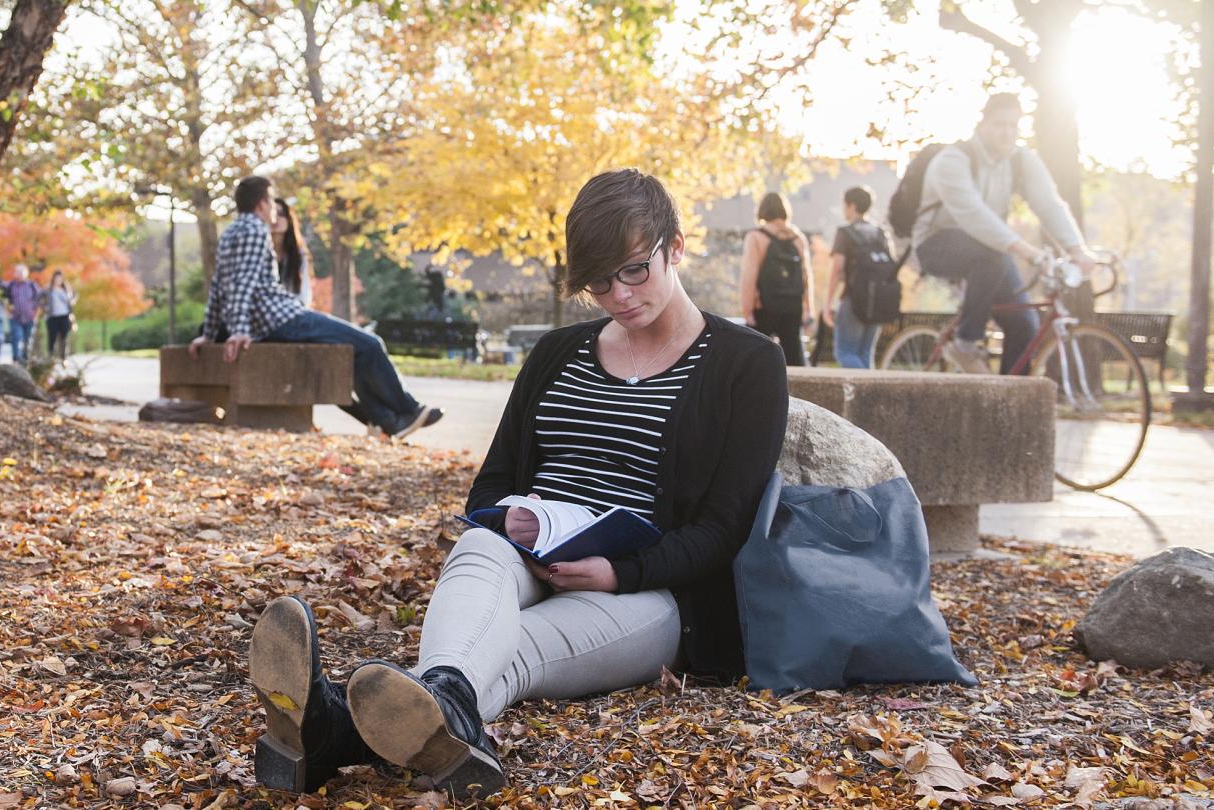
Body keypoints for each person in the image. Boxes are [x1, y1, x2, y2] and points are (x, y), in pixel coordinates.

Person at [244, 168, 788, 799]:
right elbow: (491, 486)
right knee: (479, 546)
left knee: (514, 654)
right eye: (598, 281)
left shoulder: (747, 363)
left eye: (635, 269)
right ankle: (442, 706)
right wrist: (514, 520)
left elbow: (724, 529)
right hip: (529, 554)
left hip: (651, 591)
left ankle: (336, 728)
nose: (618, 294)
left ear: (677, 247)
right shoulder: (558, 353)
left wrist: (618, 571)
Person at [193, 176, 442, 440]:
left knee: (354, 350)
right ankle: (408, 410)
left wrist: (209, 333)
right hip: (282, 318)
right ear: (263, 203)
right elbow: (245, 282)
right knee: (369, 343)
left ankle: (390, 421)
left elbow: (219, 286)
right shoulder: (256, 230)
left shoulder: (230, 233)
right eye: (273, 203)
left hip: (271, 319)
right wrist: (240, 331)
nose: (275, 211)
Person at [910, 93, 1100, 376]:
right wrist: (1026, 250)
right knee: (990, 256)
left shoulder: (1021, 160)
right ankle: (964, 343)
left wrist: (1076, 249)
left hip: (991, 251)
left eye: (1014, 125)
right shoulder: (952, 160)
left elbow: (1049, 204)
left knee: (1025, 324)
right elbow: (974, 215)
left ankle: (1009, 403)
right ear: (982, 123)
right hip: (936, 243)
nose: (1007, 132)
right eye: (1000, 124)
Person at [740, 192, 812, 365]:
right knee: (794, 358)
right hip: (793, 306)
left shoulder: (756, 237)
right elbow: (807, 276)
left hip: (764, 306)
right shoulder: (798, 238)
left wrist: (747, 310)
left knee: (755, 358)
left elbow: (749, 275)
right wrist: (808, 309)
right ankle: (796, 391)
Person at [824, 186, 892, 368]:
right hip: (878, 300)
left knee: (845, 352)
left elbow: (837, 270)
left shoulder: (845, 233)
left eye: (844, 205)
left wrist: (828, 303)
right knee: (865, 353)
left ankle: (868, 394)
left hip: (853, 299)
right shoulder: (879, 233)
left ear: (852, 206)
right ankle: (868, 394)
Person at [270, 198, 313, 310]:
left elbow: (304, 293)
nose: (277, 219)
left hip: (292, 312)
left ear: (289, 219)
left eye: (281, 214)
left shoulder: (299, 254)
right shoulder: (257, 250)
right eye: (274, 214)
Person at [3, 264, 43, 364]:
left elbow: (40, 300)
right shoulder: (10, 285)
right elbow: (3, 299)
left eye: (20, 272)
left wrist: (36, 315)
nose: (18, 274)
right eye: (16, 272)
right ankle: (16, 358)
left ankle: (26, 359)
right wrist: (8, 313)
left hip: (29, 317)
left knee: (28, 339)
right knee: (16, 336)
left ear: (26, 273)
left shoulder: (32, 285)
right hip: (15, 317)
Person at [43, 269, 77, 360]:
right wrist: (45, 307)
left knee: (64, 338)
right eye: (56, 278)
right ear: (53, 279)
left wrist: (72, 301)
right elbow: (40, 299)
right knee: (52, 338)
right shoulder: (48, 289)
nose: (58, 280)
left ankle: (64, 358)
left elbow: (74, 296)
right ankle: (51, 357)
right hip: (52, 317)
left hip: (64, 316)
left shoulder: (66, 288)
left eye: (60, 278)